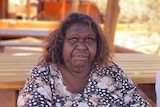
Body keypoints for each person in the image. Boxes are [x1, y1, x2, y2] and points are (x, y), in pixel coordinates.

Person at [17, 13, 150, 107]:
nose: (81, 47)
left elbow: (138, 103)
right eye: (73, 39)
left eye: (89, 40)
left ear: (98, 45)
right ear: (60, 44)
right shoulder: (43, 74)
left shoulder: (112, 73)